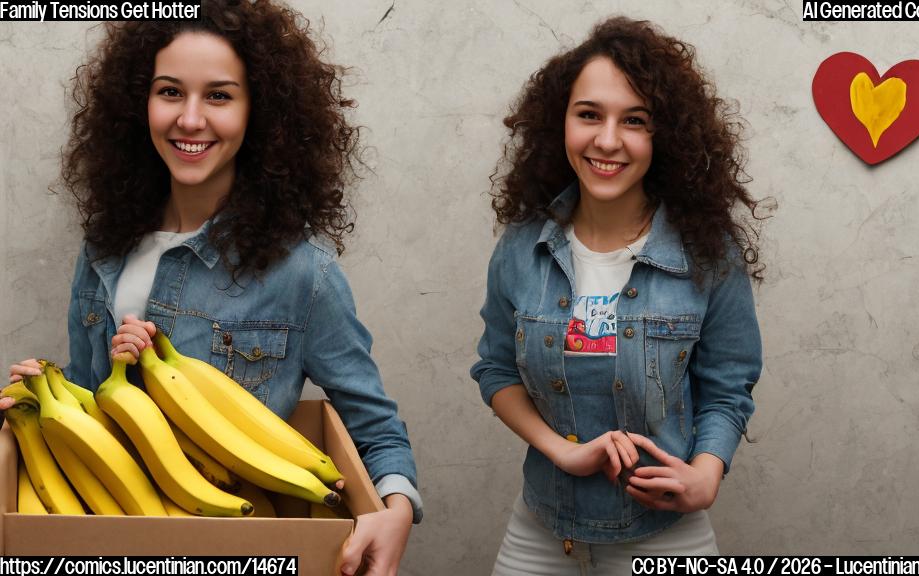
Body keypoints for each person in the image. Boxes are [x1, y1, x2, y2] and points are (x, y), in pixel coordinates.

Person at [5, 1, 420, 574]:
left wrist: (396, 506)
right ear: (139, 103)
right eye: (170, 92)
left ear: (260, 114)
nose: (191, 119)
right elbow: (92, 406)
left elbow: (371, 424)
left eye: (219, 96)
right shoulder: (103, 252)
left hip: (244, 547)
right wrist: (46, 394)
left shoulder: (303, 273)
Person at [470, 16, 764, 574]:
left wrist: (706, 474)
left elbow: (728, 386)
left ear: (664, 135)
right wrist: (563, 451)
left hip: (665, 536)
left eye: (634, 121)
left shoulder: (708, 254)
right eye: (589, 115)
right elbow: (496, 372)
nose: (607, 140)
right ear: (560, 122)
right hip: (542, 530)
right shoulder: (521, 246)